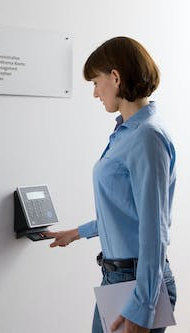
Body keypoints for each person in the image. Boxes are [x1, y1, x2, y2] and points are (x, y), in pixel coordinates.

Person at [44, 36, 177, 333]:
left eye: (95, 82)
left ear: (115, 77)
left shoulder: (146, 137)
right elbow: (126, 212)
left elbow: (154, 230)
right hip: (119, 279)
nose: (94, 93)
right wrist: (78, 232)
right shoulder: (125, 133)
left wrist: (142, 309)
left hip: (138, 284)